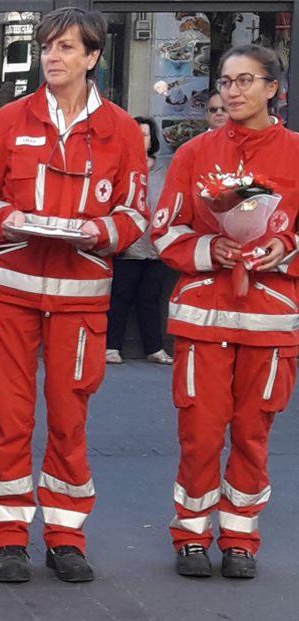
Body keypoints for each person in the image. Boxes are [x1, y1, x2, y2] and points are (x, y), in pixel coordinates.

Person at [0, 7, 149, 583]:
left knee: (69, 422)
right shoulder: (7, 120)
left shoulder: (119, 129)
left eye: (66, 48)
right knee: (10, 419)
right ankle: (10, 539)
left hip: (81, 302)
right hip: (10, 298)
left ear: (93, 58)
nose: (52, 57)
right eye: (47, 46)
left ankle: (65, 538)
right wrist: (8, 219)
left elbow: (136, 213)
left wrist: (99, 231)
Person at [151, 44, 299, 580]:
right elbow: (165, 229)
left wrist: (286, 245)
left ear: (272, 89)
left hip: (270, 321)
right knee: (201, 433)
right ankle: (191, 534)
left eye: (245, 81)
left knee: (253, 435)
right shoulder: (194, 153)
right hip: (204, 315)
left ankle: (240, 537)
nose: (233, 91)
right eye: (226, 81)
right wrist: (208, 248)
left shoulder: (296, 153)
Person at [105, 117, 174, 365]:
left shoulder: (165, 169)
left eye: (144, 134)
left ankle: (154, 348)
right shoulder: (119, 167)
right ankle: (112, 347)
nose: (139, 138)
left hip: (156, 246)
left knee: (150, 298)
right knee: (120, 298)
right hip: (127, 246)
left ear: (152, 139)